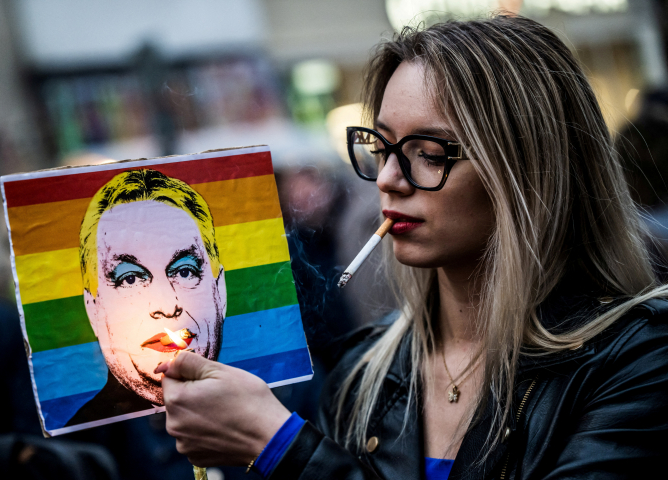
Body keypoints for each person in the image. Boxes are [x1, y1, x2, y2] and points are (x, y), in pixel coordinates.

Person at [156, 15, 668, 479]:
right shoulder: (366, 374)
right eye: (382, 147)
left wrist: (282, 448)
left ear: (529, 171)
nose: (387, 178)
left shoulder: (637, 360)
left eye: (429, 153)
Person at [68, 169, 226, 425]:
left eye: (185, 272)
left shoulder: (273, 404)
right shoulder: (84, 439)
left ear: (220, 291)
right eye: (130, 279)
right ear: (93, 311)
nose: (167, 306)